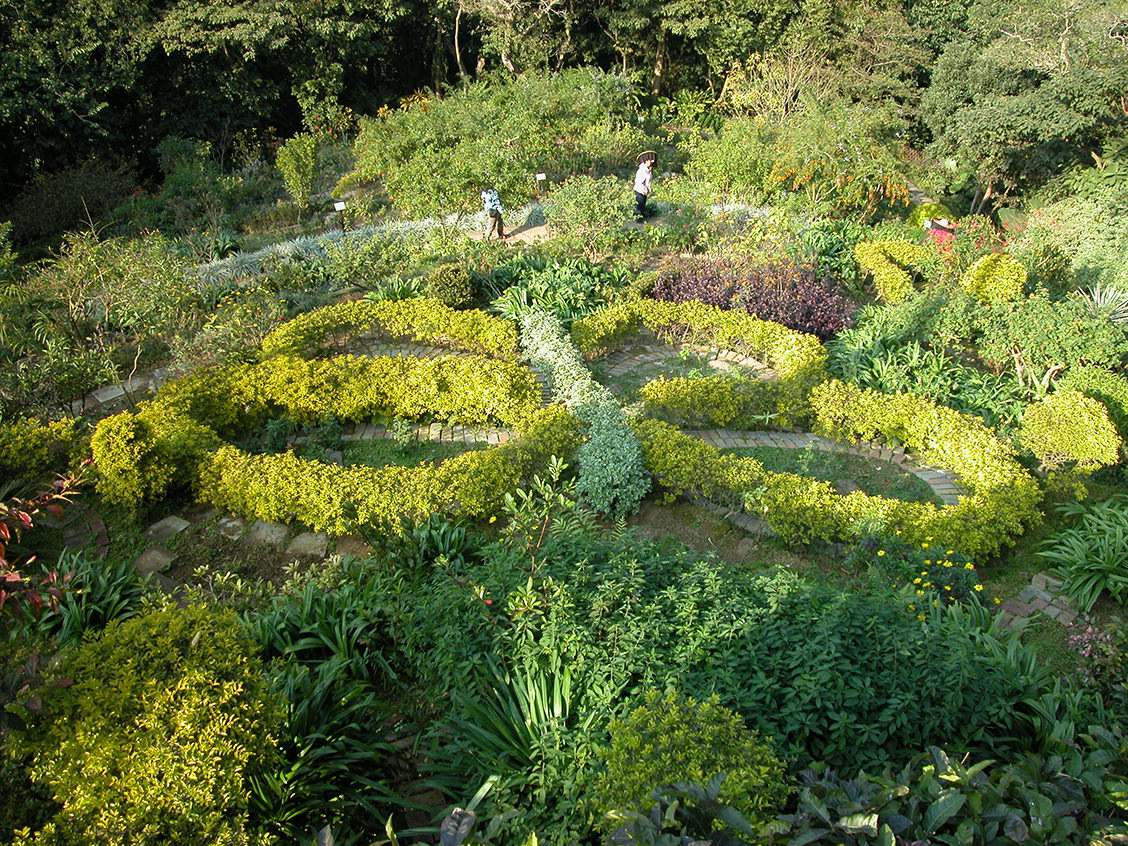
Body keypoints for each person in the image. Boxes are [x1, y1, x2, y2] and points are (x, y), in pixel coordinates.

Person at [633, 153, 656, 222]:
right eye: (650, 160)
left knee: (642, 205)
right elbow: (639, 183)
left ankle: (641, 217)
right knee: (639, 206)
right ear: (645, 161)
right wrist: (645, 190)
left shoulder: (648, 170)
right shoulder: (642, 171)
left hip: (644, 191)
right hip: (640, 190)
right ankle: (638, 219)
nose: (652, 162)